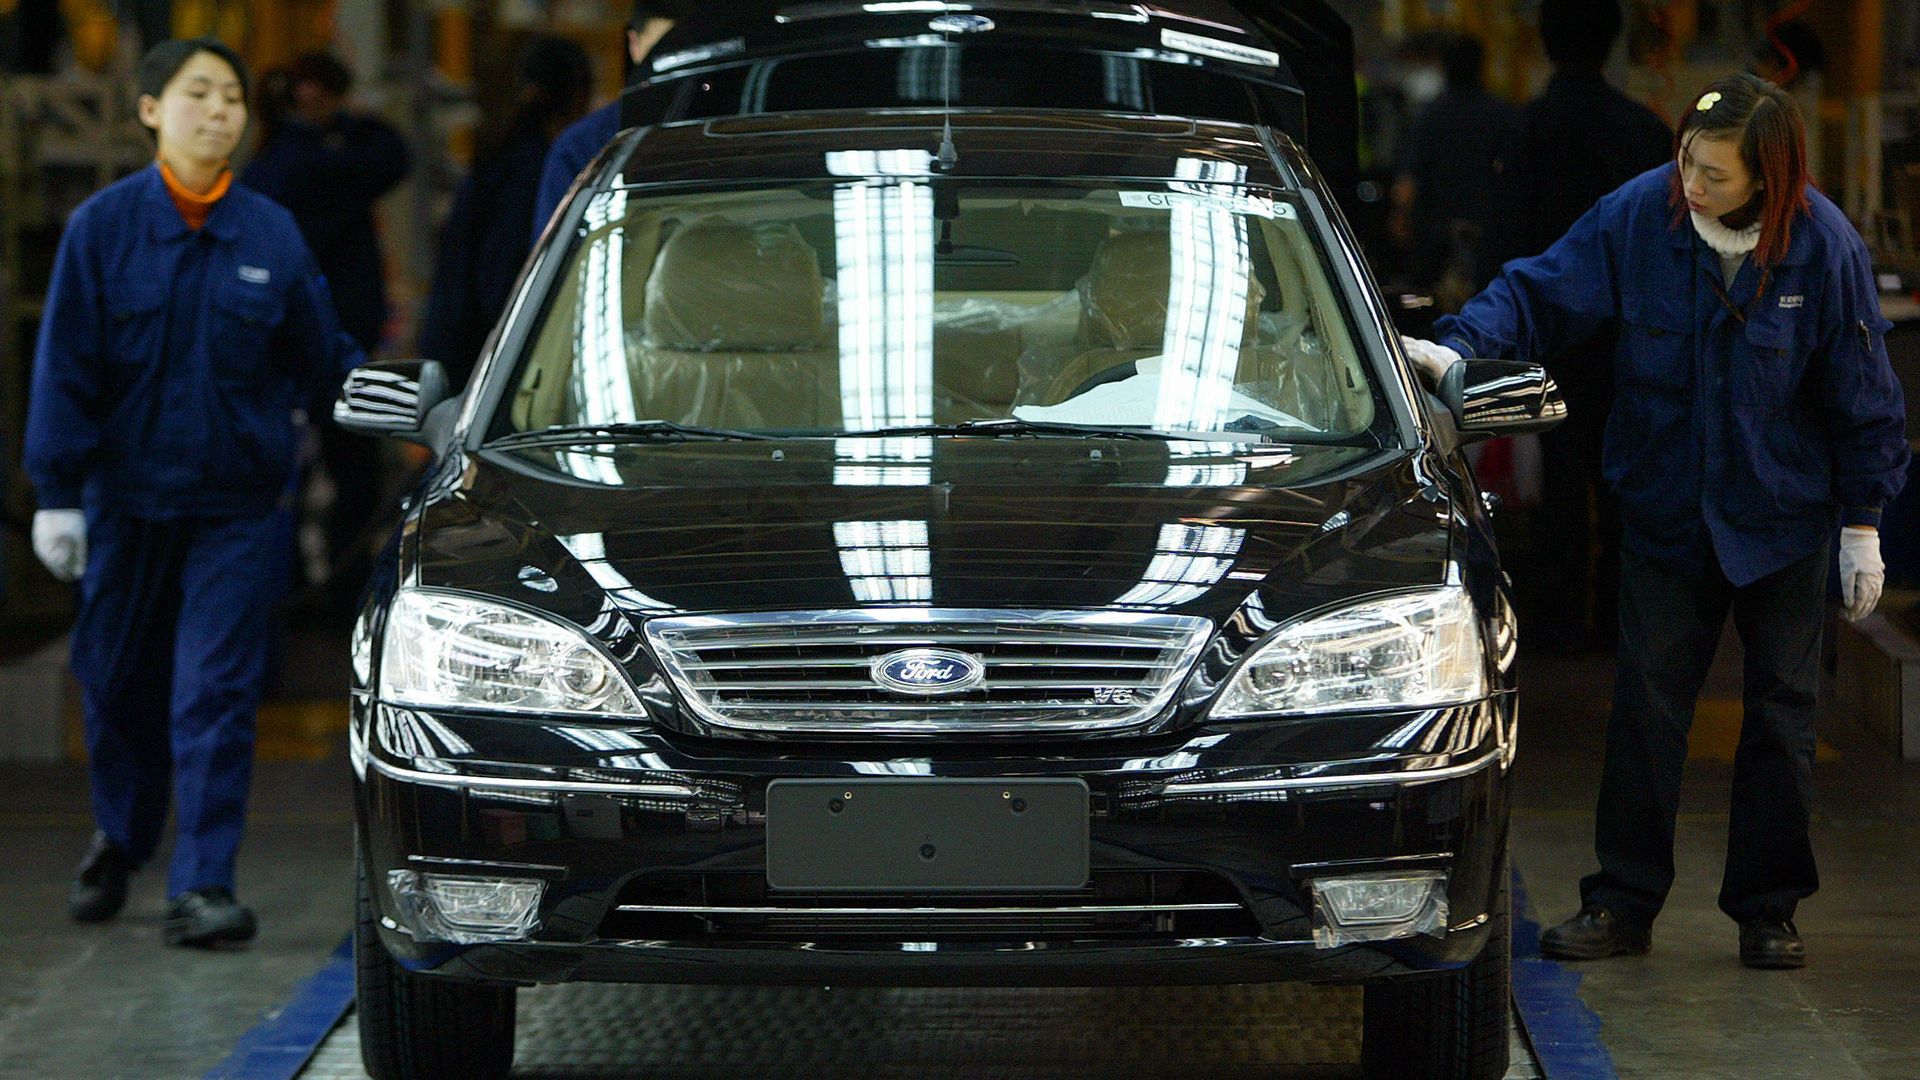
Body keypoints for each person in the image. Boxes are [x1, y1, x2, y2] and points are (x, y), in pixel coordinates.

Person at [1402, 74, 1908, 970]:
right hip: (1671, 513)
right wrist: (1460, 346)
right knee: (1646, 710)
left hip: (1784, 521)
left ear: (1769, 180)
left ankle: (1768, 909)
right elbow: (1539, 288)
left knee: (1782, 717)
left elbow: (1863, 395)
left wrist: (1862, 521)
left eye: (1715, 174)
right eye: (1687, 160)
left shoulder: (1822, 248)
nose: (1693, 184)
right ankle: (1624, 903)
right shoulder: (1643, 214)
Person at [25, 37, 364, 947]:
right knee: (117, 685)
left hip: (238, 509)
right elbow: (65, 367)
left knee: (213, 689)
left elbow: (325, 361)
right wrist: (55, 491)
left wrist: (411, 416)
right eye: (198, 94)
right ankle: (121, 836)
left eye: (232, 99)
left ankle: (204, 883)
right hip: (125, 504)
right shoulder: (102, 229)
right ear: (149, 111)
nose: (221, 112)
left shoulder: (270, 233)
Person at [1495, 0, 1673, 653]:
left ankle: (1561, 615)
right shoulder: (1645, 133)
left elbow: (1508, 243)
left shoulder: (1529, 130)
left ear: (1543, 41)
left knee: (1559, 479)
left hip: (1554, 339)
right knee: (1628, 480)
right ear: (1613, 41)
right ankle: (1624, 617)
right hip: (1634, 337)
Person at [243, 52, 410, 600]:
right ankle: (340, 585)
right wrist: (346, 122)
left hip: (286, 340)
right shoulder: (319, 161)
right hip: (335, 341)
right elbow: (395, 157)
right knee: (351, 469)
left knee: (286, 468)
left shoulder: (266, 162)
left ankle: (287, 586)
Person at [418, 36, 592, 389]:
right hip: (496, 368)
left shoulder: (500, 157)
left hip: (464, 356)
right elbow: (502, 279)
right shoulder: (541, 170)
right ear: (577, 97)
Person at [531, 1, 686, 236]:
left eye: (683, 49)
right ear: (634, 44)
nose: (673, 65)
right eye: (661, 51)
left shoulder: (734, 130)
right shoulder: (586, 145)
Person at [1389, 32, 1516, 303]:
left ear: (1445, 67)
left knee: (1430, 303)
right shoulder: (1501, 114)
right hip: (1486, 230)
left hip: (1435, 232)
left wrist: (1401, 217)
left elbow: (1409, 178)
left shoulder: (1431, 114)